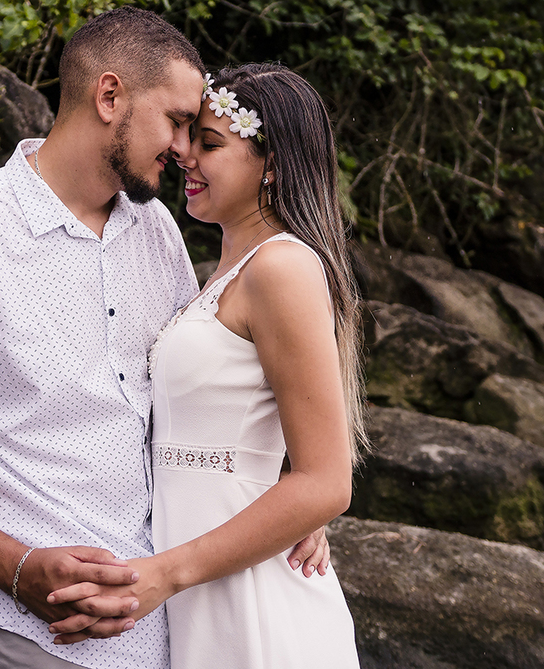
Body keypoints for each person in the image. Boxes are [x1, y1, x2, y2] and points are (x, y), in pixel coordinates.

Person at [0, 9, 325, 669]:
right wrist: (18, 567)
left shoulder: (158, 235)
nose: (184, 150)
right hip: (33, 628)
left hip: (167, 627)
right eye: (177, 121)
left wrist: (299, 493)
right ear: (110, 95)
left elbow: (209, 388)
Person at [47, 64, 365, 667]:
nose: (185, 154)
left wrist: (165, 575)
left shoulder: (281, 268)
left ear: (274, 163)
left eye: (212, 144)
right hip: (198, 583)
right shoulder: (222, 274)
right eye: (190, 135)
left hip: (249, 597)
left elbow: (327, 481)